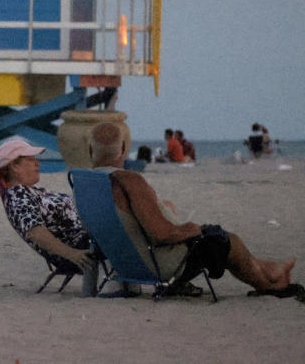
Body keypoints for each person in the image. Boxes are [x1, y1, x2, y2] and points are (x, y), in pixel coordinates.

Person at [88, 122, 300, 297]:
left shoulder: (86, 182)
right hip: (156, 266)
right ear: (123, 148)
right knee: (225, 241)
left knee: (212, 235)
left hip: (124, 262)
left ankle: (271, 269)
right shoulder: (128, 180)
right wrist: (190, 228)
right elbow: (160, 234)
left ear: (90, 150)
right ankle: (267, 285)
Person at [0, 138, 95, 273]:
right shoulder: (18, 195)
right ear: (14, 166)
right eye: (31, 159)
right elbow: (35, 232)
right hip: (81, 246)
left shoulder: (29, 191)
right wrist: (73, 254)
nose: (37, 163)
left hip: (89, 237)